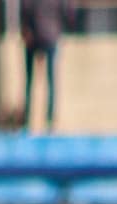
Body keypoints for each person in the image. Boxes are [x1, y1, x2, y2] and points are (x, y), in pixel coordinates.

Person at [20, 0, 75, 131]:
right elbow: (68, 12)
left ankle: (33, 120)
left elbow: (24, 10)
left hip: (39, 37)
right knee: (48, 81)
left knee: (34, 81)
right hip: (48, 36)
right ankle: (46, 120)